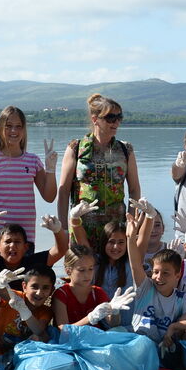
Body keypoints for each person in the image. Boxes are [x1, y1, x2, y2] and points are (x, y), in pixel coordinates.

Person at [0, 105, 58, 252]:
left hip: (24, 238)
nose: (13, 131)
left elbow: (49, 196)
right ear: (0, 128)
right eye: (8, 126)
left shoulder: (33, 160)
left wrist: (51, 169)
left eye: (18, 126)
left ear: (24, 129)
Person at [125, 206, 186, 363]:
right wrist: (131, 238)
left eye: (165, 273)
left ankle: (181, 369)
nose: (158, 277)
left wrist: (175, 327)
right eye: (156, 272)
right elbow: (135, 265)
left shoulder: (181, 298)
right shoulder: (146, 287)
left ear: (178, 275)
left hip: (164, 348)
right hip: (139, 348)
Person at [58, 93, 141, 253]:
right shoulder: (76, 148)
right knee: (82, 275)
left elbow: (134, 189)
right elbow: (63, 191)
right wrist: (63, 229)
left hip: (115, 230)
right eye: (110, 117)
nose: (116, 122)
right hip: (82, 227)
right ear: (95, 119)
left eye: (119, 117)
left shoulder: (125, 149)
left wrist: (132, 223)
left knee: (115, 276)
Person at [0, 266, 56, 359]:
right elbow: (3, 292)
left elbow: (39, 332)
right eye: (34, 287)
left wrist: (24, 311)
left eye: (45, 288)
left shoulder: (46, 311)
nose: (39, 293)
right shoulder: (16, 297)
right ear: (24, 286)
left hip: (18, 358)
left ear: (52, 290)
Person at [52, 244, 134, 329]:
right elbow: (63, 329)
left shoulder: (97, 292)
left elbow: (113, 323)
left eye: (91, 269)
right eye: (82, 270)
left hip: (95, 339)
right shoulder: (61, 294)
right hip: (71, 341)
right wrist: (90, 318)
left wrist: (114, 311)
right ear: (68, 271)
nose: (87, 274)